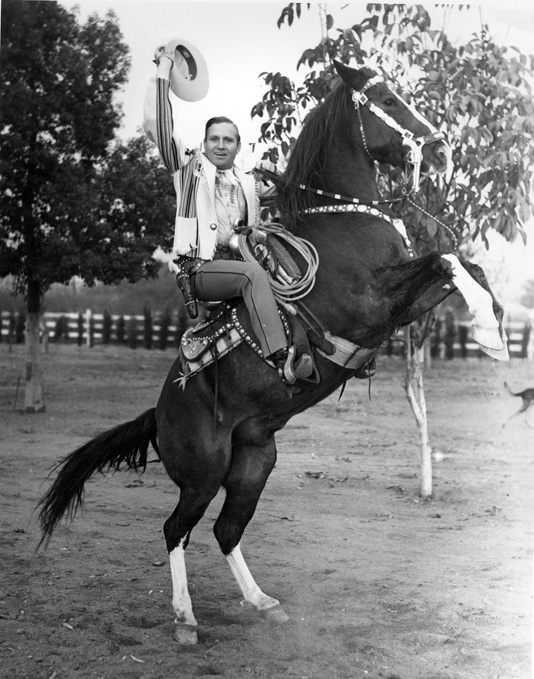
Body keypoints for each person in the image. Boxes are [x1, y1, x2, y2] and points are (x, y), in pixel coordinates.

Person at [143, 42, 312, 385]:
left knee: (295, 275)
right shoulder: (188, 170)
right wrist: (163, 69)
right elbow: (160, 127)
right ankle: (281, 362)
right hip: (201, 270)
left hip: (242, 264)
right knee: (252, 275)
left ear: (238, 145)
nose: (221, 145)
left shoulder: (248, 184)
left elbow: (292, 189)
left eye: (228, 140)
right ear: (204, 144)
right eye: (214, 139)